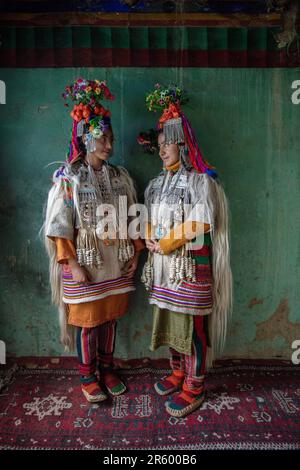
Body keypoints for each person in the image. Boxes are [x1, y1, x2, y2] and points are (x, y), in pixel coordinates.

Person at [43, 78, 144, 403]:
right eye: (102, 139)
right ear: (86, 140)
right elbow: (59, 225)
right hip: (85, 264)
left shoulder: (120, 177)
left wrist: (136, 254)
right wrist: (72, 264)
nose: (109, 146)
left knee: (110, 319)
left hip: (115, 261)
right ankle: (88, 376)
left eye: (111, 139)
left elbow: (132, 218)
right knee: (88, 323)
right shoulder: (69, 178)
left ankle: (108, 368)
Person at [138, 84, 232, 417]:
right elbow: (146, 215)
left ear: (182, 144)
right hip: (164, 268)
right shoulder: (156, 183)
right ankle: (178, 371)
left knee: (192, 326)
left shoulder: (199, 182)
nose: (162, 151)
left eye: (168, 145)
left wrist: (165, 242)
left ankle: (195, 385)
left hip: (189, 267)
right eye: (160, 145)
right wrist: (149, 237)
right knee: (169, 318)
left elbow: (203, 221)